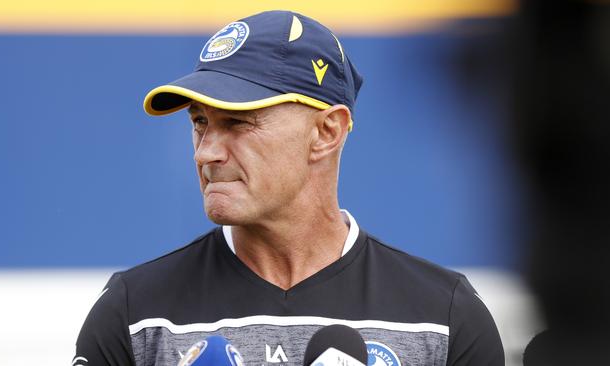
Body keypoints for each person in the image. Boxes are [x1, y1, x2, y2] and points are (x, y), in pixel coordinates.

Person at [74, 10, 504, 366]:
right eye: (200, 123)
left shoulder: (443, 316)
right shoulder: (135, 314)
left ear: (326, 132)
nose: (205, 153)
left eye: (238, 122)